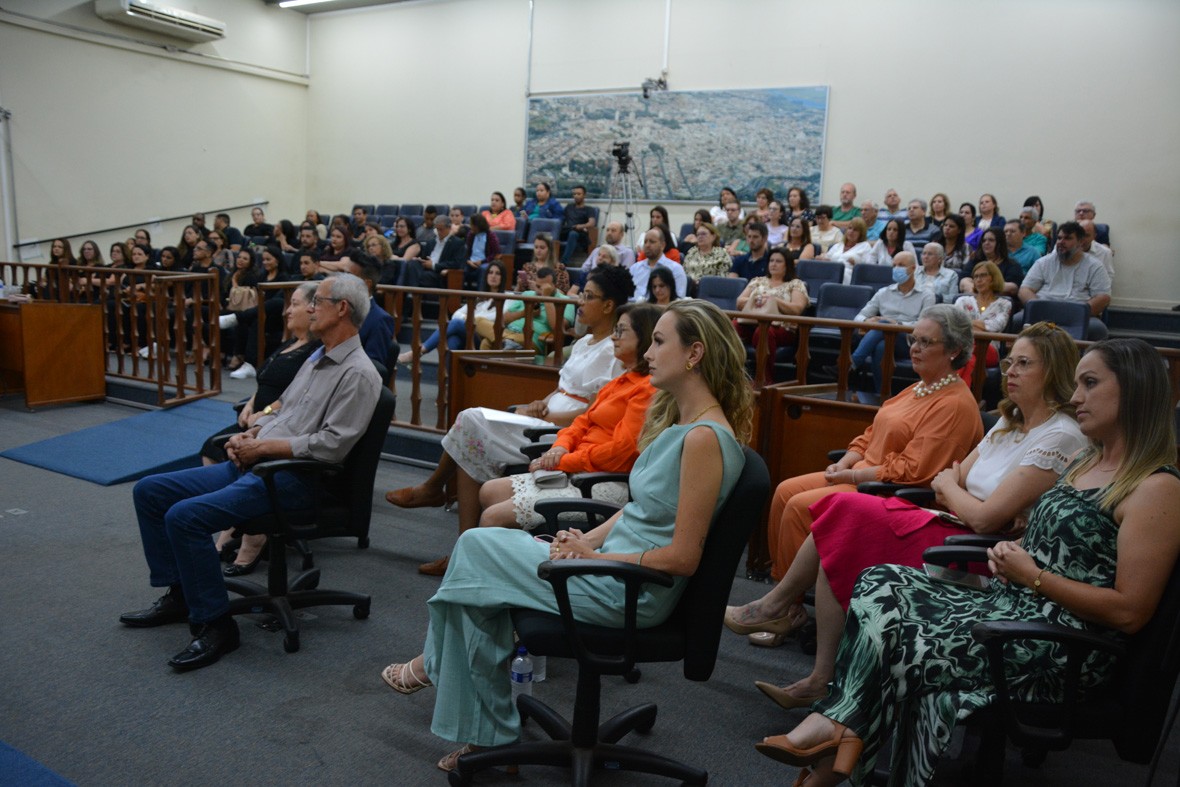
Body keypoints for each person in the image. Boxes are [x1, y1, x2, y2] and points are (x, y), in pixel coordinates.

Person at [758, 338, 1180, 787]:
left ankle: (834, 738)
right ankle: (838, 734)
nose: (1076, 397)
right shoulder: (1086, 460)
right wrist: (1015, 549)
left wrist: (1034, 576)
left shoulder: (1156, 488)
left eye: (1090, 383)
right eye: (1076, 384)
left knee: (905, 633)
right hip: (1012, 603)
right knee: (880, 582)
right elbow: (1059, 541)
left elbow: (1130, 611)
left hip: (1058, 645)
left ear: (1134, 389)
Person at [380, 298, 752, 772]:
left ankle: (450, 688)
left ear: (694, 353)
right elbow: (641, 510)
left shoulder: (704, 440)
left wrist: (595, 558)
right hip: (608, 569)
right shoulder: (685, 425)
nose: (648, 352)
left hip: (629, 592)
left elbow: (682, 558)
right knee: (478, 579)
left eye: (659, 342)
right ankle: (481, 731)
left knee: (475, 550)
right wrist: (589, 542)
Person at [732, 323, 1086, 713]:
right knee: (840, 519)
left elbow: (981, 515)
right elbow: (947, 483)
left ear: (1052, 371)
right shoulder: (1008, 421)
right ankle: (809, 658)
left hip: (981, 553)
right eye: (1009, 362)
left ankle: (781, 618)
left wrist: (957, 492)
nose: (1010, 371)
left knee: (844, 514)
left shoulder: (1061, 435)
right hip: (953, 523)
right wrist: (959, 493)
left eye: (1024, 363)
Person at [120, 273, 381, 672]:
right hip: (260, 465)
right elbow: (285, 411)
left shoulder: (358, 373)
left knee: (185, 517)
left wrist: (262, 447)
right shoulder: (317, 357)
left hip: (294, 480)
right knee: (151, 491)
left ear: (342, 309)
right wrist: (251, 434)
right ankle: (182, 596)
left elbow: (331, 446)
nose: (310, 308)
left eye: (318, 301)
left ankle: (217, 625)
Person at [385, 265, 634, 574]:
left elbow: (593, 412)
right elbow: (562, 388)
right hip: (545, 418)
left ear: (608, 305)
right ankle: (461, 546)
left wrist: (547, 414)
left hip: (561, 431)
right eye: (581, 295)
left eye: (589, 296)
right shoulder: (584, 343)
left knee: (471, 421)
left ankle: (434, 491)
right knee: (470, 438)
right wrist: (538, 403)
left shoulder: (614, 352)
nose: (580, 302)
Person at [766, 305, 984, 585]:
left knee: (799, 506)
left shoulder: (954, 405)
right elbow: (872, 433)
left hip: (892, 494)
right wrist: (844, 462)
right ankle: (785, 591)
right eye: (913, 339)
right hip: (862, 476)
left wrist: (852, 475)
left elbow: (914, 472)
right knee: (784, 492)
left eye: (925, 342)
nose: (914, 348)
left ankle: (788, 601)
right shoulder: (918, 387)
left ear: (954, 350)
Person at [459, 303, 661, 534]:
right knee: (488, 491)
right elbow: (582, 422)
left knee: (492, 517)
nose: (614, 337)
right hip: (579, 469)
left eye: (621, 331)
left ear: (644, 337)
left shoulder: (646, 389)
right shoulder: (620, 381)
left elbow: (622, 451)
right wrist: (559, 447)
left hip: (603, 481)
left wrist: (563, 461)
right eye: (615, 330)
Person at [202, 282, 323, 575]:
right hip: (257, 418)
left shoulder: (315, 352)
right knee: (212, 447)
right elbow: (266, 380)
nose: (287, 310)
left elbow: (294, 398)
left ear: (312, 309)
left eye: (295, 304)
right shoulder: (289, 344)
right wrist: (250, 402)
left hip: (280, 423)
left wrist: (263, 413)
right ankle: (232, 522)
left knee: (249, 458)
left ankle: (250, 537)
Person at [847, 252, 936, 393]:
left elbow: (924, 326)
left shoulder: (927, 295)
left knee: (885, 324)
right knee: (881, 346)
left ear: (913, 268)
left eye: (901, 265)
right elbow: (859, 316)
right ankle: (882, 394)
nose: (896, 269)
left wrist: (896, 325)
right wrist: (867, 320)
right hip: (884, 338)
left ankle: (851, 363)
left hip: (910, 341)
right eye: (894, 265)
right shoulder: (883, 292)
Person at [398, 260, 508, 365]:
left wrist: (471, 318)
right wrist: (470, 319)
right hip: (470, 332)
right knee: (452, 340)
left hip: (485, 337)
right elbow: (456, 314)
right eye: (490, 272)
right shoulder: (480, 297)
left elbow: (496, 317)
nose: (493, 276)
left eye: (497, 273)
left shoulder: (507, 298)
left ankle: (418, 352)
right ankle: (450, 377)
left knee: (456, 323)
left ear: (502, 277)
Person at [1017, 222, 1112, 340]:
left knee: (1098, 329)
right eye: (1059, 238)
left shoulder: (1095, 266)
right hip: (1043, 313)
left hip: (1078, 316)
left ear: (1080, 242)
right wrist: (1039, 309)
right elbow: (1025, 290)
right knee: (1016, 320)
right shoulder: (1044, 262)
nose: (1061, 242)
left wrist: (1076, 313)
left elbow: (1103, 297)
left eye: (1068, 238)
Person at [734, 248, 808, 385]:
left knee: (763, 332)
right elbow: (739, 302)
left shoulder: (795, 284)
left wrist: (774, 300)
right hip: (752, 323)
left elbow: (797, 309)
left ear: (787, 265)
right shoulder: (758, 281)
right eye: (771, 261)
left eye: (778, 261)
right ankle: (730, 374)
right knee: (733, 326)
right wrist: (758, 299)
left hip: (781, 328)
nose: (773, 264)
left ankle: (764, 380)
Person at [954, 261, 1012, 367]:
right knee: (963, 354)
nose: (978, 280)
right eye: (975, 277)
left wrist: (968, 324)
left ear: (994, 278)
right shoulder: (962, 301)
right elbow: (955, 324)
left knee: (962, 356)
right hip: (963, 345)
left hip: (989, 349)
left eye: (983, 275)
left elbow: (996, 326)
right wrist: (981, 327)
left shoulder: (1004, 304)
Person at [629, 227, 687, 300]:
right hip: (633, 306)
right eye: (645, 242)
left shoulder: (675, 269)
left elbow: (679, 299)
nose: (647, 245)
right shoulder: (634, 269)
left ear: (662, 245)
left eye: (652, 242)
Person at [964, 227, 1022, 297]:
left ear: (1000, 243)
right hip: (974, 298)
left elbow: (1013, 287)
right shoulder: (975, 261)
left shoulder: (1012, 265)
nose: (986, 243)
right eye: (984, 241)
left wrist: (983, 288)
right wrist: (977, 292)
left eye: (991, 240)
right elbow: (964, 281)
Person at [823, 218, 873, 283]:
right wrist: (822, 258)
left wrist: (856, 264)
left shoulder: (865, 246)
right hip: (831, 273)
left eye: (855, 230)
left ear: (861, 233)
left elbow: (869, 268)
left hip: (851, 277)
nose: (851, 231)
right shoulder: (838, 245)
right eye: (850, 228)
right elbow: (827, 258)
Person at [461, 213, 501, 288]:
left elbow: (495, 253)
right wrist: (468, 261)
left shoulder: (490, 235)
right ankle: (461, 293)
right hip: (471, 261)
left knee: (483, 269)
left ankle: (480, 293)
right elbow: (467, 251)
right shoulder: (470, 235)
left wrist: (482, 261)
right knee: (461, 268)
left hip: (485, 262)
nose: (470, 226)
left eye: (471, 224)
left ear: (477, 226)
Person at [559, 184, 596, 264]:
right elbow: (561, 219)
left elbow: (591, 223)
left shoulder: (589, 209)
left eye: (579, 194)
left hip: (580, 234)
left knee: (573, 233)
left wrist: (580, 226)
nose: (576, 196)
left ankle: (564, 262)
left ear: (584, 195)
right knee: (556, 232)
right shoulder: (569, 207)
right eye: (574, 194)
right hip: (567, 231)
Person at [1079, 218, 1116, 285]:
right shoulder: (1066, 249)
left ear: (1094, 236)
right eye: (1080, 235)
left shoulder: (1105, 252)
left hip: (1095, 288)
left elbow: (1109, 276)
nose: (1082, 239)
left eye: (1087, 235)